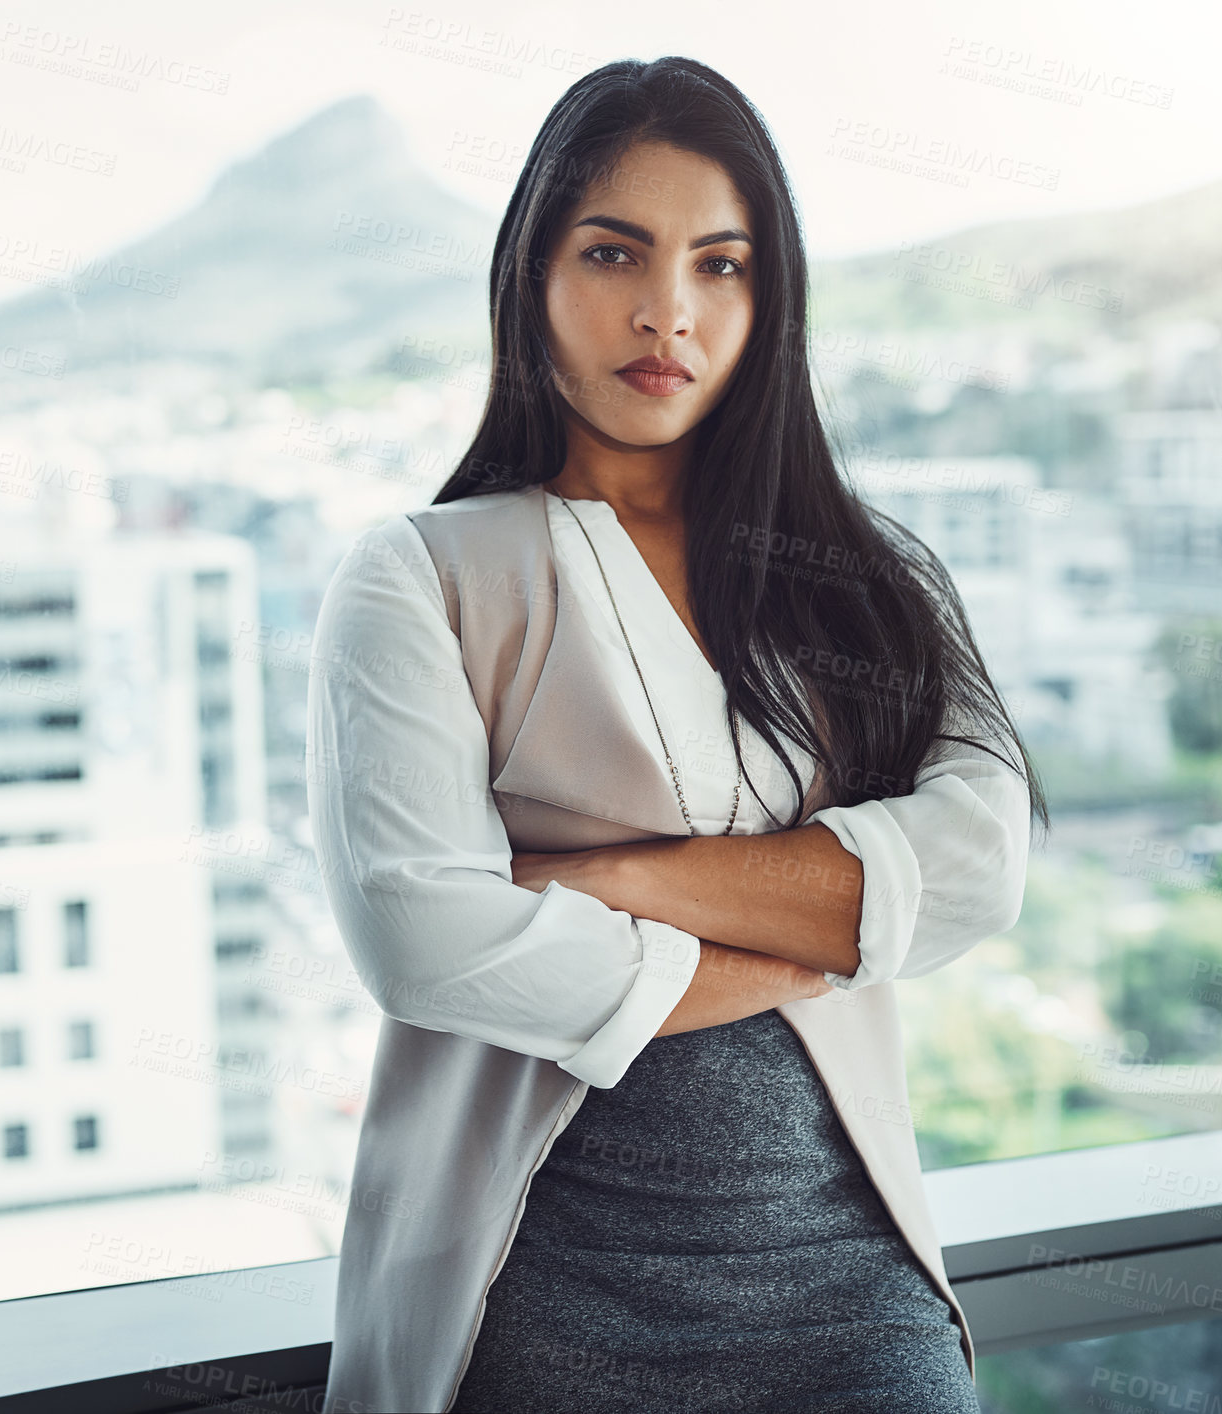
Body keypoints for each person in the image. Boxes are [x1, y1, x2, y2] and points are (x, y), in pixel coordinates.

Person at [308, 54, 1048, 1414]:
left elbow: (980, 865)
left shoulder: (868, 575)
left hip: (851, 1292)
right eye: (612, 253)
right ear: (530, 276)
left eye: (721, 265)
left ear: (771, 303)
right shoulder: (421, 575)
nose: (667, 311)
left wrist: (610, 883)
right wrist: (822, 922)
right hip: (538, 1295)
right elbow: (426, 943)